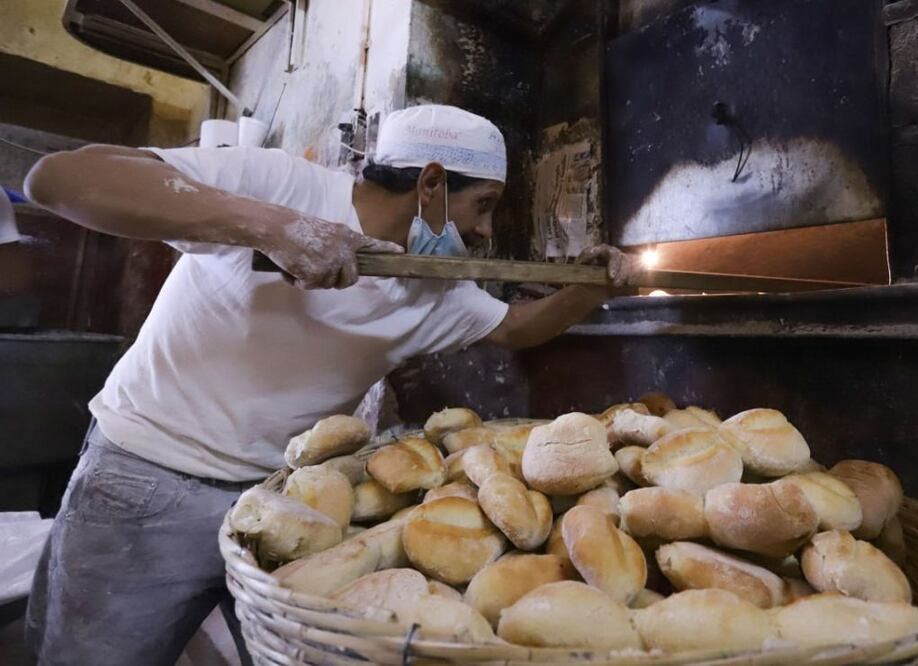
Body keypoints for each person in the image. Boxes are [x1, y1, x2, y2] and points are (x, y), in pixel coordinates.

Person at [21, 104, 640, 665]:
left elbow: (515, 329)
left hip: (291, 503)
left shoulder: (433, 285)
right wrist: (273, 228)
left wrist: (589, 289)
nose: (485, 230)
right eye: (484, 205)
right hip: (150, 480)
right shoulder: (281, 184)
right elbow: (58, 179)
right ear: (430, 184)